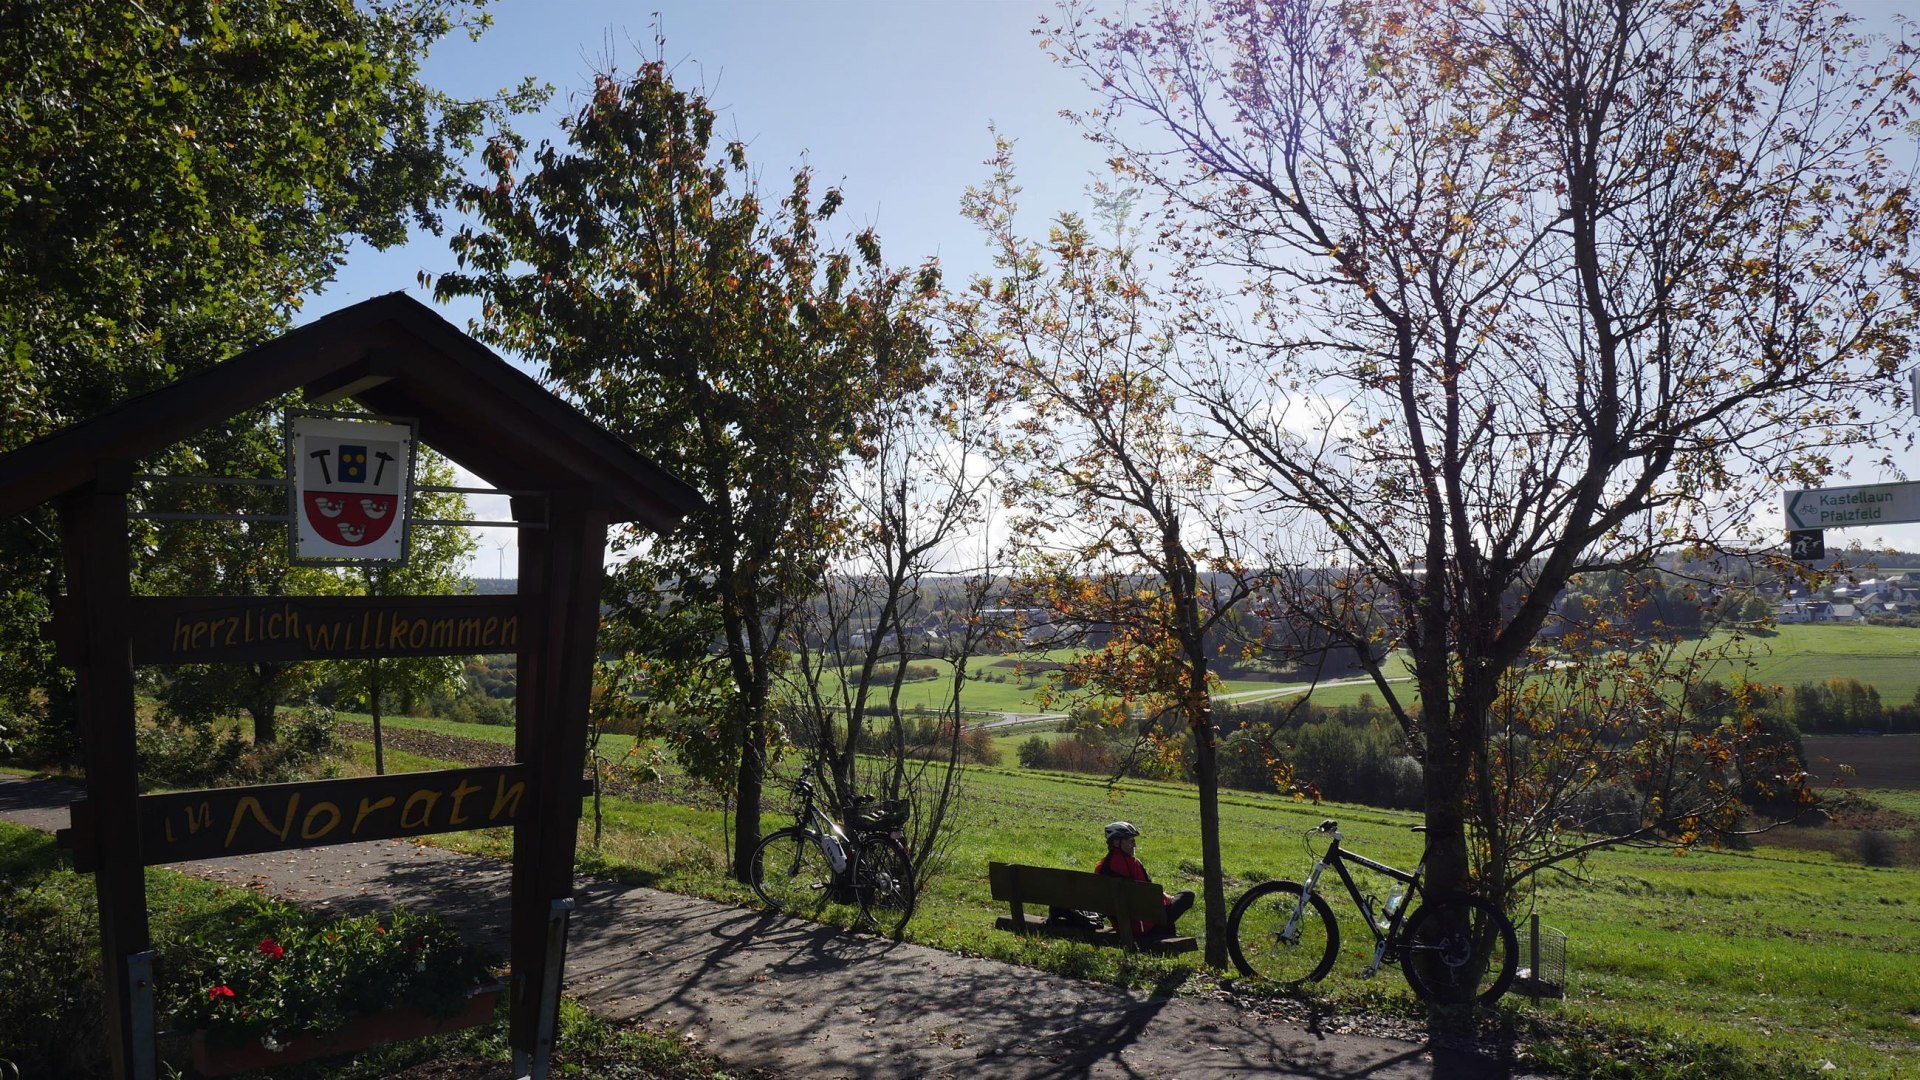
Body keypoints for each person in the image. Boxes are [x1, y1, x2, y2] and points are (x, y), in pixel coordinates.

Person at [1095, 821, 1194, 938]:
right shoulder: (1133, 864)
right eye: (1131, 841)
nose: (1134, 845)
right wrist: (1168, 899)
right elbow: (1150, 896)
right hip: (1145, 927)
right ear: (1117, 842)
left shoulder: (1101, 867)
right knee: (1187, 895)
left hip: (1121, 926)